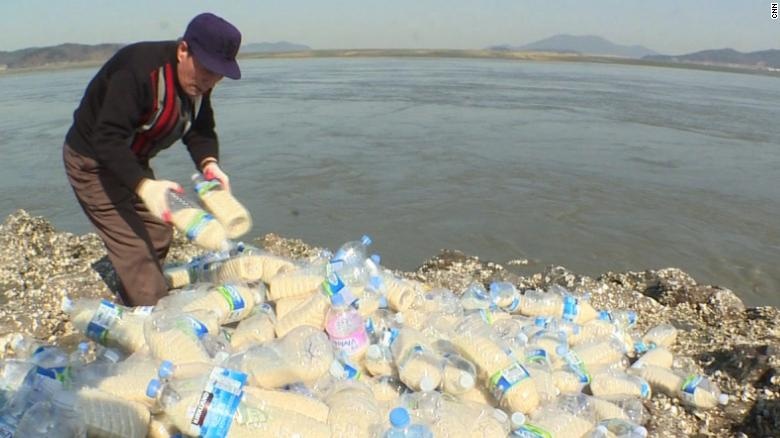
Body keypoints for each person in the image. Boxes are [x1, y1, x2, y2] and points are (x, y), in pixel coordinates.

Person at [62, 12, 241, 306]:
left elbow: (199, 129)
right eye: (206, 69)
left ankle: (136, 287)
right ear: (184, 50)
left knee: (158, 229)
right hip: (91, 162)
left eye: (219, 73)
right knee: (136, 250)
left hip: (132, 160)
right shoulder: (139, 72)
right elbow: (105, 138)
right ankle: (153, 316)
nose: (210, 81)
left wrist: (210, 164)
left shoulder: (197, 85)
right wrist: (144, 186)